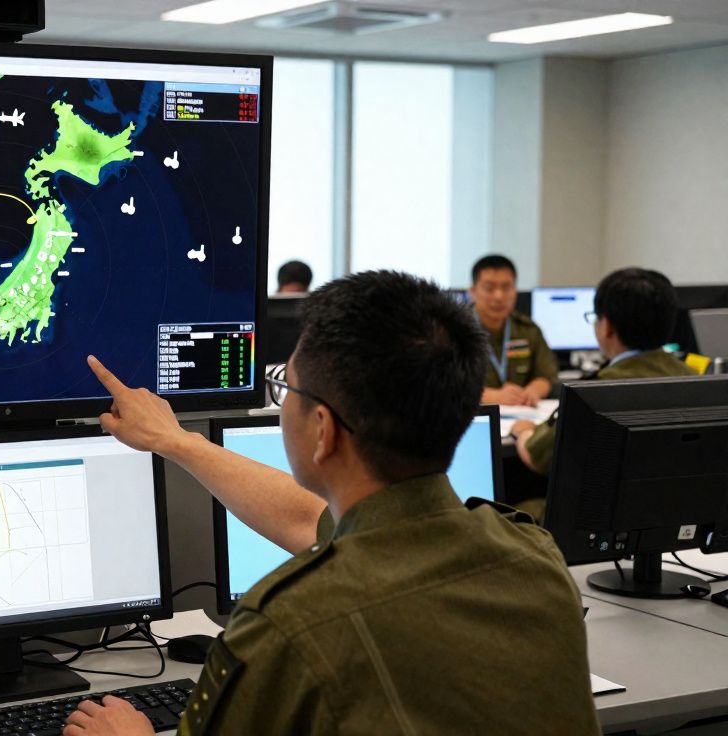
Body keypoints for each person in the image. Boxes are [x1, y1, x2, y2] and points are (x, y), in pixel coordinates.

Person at [65, 271, 599, 736]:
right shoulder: (534, 556)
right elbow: (312, 520)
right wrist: (176, 441)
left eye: (289, 391)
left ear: (322, 429)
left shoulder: (290, 621)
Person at [512, 267, 696, 480]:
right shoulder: (698, 380)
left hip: (598, 512)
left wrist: (523, 432)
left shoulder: (596, 393)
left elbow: (539, 457)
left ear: (606, 326)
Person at [468, 254, 557, 407]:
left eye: (506, 287)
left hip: (521, 414)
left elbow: (546, 374)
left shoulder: (528, 330)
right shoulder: (453, 330)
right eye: (489, 288)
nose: (499, 296)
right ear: (473, 292)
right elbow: (441, 384)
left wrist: (531, 392)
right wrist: (492, 396)